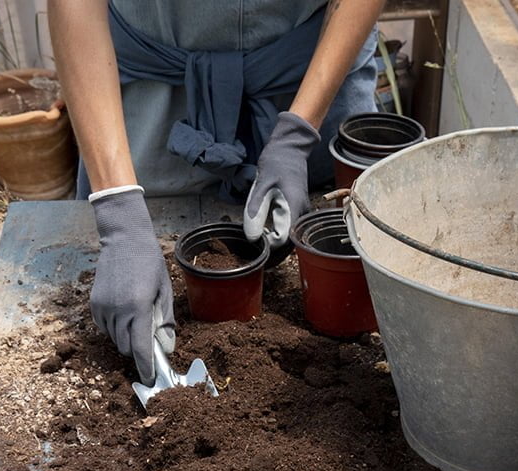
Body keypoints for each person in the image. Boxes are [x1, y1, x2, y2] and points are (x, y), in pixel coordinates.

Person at [47, 1, 384, 386]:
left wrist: (297, 133)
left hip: (312, 79)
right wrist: (119, 213)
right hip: (151, 94)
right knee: (131, 277)